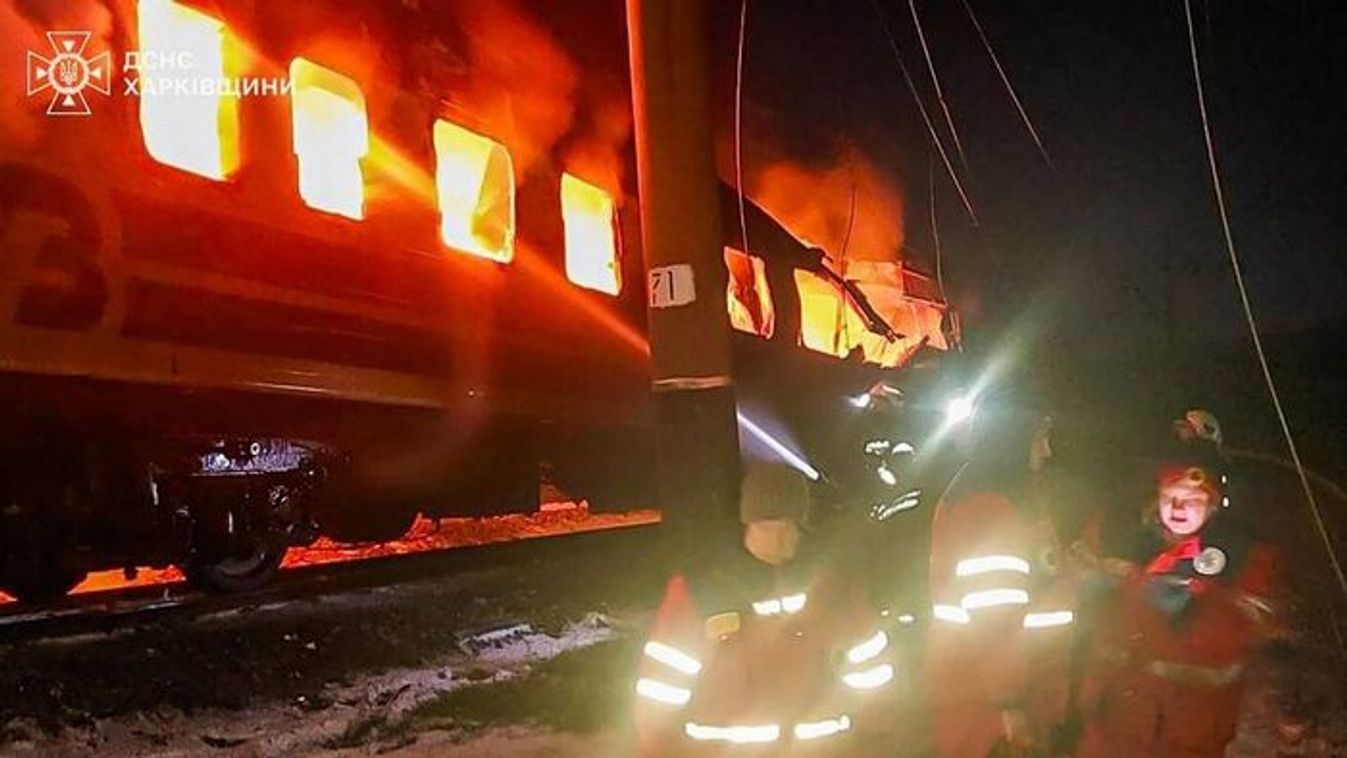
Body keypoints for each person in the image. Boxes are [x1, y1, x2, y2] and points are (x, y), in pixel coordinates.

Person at [633, 460, 900, 755]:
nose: (777, 537)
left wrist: (879, 731)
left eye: (786, 526)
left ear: (801, 526)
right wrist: (659, 749)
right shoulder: (703, 591)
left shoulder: (831, 586)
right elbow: (660, 688)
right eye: (766, 526)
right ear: (747, 524)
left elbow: (869, 665)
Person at [1076, 419, 1277, 757]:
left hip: (1190, 729)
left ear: (1214, 504)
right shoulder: (1128, 544)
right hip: (1115, 726)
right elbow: (1085, 612)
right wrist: (1093, 589)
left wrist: (1192, 611)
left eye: (1192, 499)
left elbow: (1244, 632)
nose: (1177, 508)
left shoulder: (1242, 557)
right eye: (1169, 497)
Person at [923, 388, 1079, 756]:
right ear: (1012, 438)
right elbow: (995, 620)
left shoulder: (1005, 498)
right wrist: (1011, 706)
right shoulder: (989, 508)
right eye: (1040, 438)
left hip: (1006, 696)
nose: (1046, 451)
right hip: (992, 713)